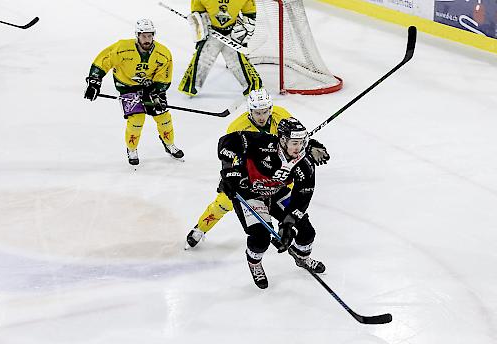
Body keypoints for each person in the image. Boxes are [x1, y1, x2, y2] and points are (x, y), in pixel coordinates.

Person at [185, 88, 330, 249]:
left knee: (288, 206)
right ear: (250, 111)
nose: (261, 117)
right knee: (224, 203)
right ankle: (200, 228)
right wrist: (230, 177)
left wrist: (310, 145)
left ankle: (286, 234)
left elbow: (294, 137)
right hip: (248, 176)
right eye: (257, 113)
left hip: (278, 176)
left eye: (265, 112)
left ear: (271, 108)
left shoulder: (281, 114)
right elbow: (232, 157)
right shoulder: (238, 127)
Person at [217, 117, 326, 289]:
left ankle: (301, 257)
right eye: (294, 143)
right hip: (249, 191)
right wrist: (229, 173)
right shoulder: (264, 143)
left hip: (276, 193)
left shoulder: (304, 163)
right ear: (283, 139)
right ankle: (254, 262)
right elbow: (227, 142)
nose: (299, 148)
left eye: (302, 142)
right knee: (261, 238)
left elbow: (303, 194)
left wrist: (288, 223)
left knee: (306, 232)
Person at [83, 19, 184, 166]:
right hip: (126, 87)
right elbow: (104, 60)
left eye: (150, 36)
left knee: (163, 116)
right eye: (144, 36)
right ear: (137, 35)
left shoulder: (163, 53)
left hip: (149, 88)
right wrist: (94, 81)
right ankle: (132, 148)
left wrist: (156, 92)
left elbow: (164, 76)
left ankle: (169, 144)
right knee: (136, 119)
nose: (147, 39)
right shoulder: (122, 48)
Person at [178, 0, 262, 97]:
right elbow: (198, 13)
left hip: (232, 32)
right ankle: (191, 87)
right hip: (211, 32)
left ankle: (253, 87)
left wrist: (244, 31)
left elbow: (250, 14)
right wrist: (201, 26)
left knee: (237, 62)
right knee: (203, 59)